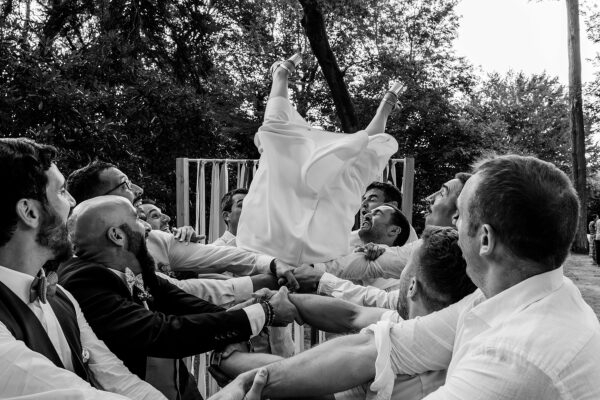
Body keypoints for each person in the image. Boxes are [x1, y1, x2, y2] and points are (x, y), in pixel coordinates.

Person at [213, 154, 600, 400]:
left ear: (485, 239)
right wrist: (257, 381)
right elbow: (384, 344)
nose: (450, 227)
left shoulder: (514, 359)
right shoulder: (502, 296)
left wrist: (249, 379)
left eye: (460, 216)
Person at [58, 195, 300, 399]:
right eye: (138, 219)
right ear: (117, 236)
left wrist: (240, 316)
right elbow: (161, 333)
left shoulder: (130, 268)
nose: (148, 228)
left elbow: (180, 301)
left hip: (178, 388)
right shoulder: (83, 281)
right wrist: (264, 313)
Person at [213, 226, 475, 400]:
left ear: (413, 286)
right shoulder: (425, 321)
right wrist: (282, 302)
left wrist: (228, 359)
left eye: (406, 267)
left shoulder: (413, 377)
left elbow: (313, 382)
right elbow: (352, 314)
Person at [0, 138, 164, 399]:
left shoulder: (63, 299)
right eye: (62, 191)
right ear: (29, 212)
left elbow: (116, 378)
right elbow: (79, 395)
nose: (73, 201)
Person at [236, 53, 400, 266]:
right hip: (314, 250)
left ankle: (281, 75)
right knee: (279, 140)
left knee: (279, 142)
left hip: (275, 244)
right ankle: (386, 105)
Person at [66, 161, 298, 288]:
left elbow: (225, 257)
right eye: (125, 184)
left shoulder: (159, 241)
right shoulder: (80, 272)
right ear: (97, 201)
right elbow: (186, 294)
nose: (138, 190)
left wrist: (272, 263)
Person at [294, 172, 471, 307]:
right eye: (363, 200)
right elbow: (367, 265)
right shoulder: (369, 242)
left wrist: (317, 276)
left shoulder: (418, 243)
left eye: (442, 193)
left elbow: (390, 302)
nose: (429, 198)